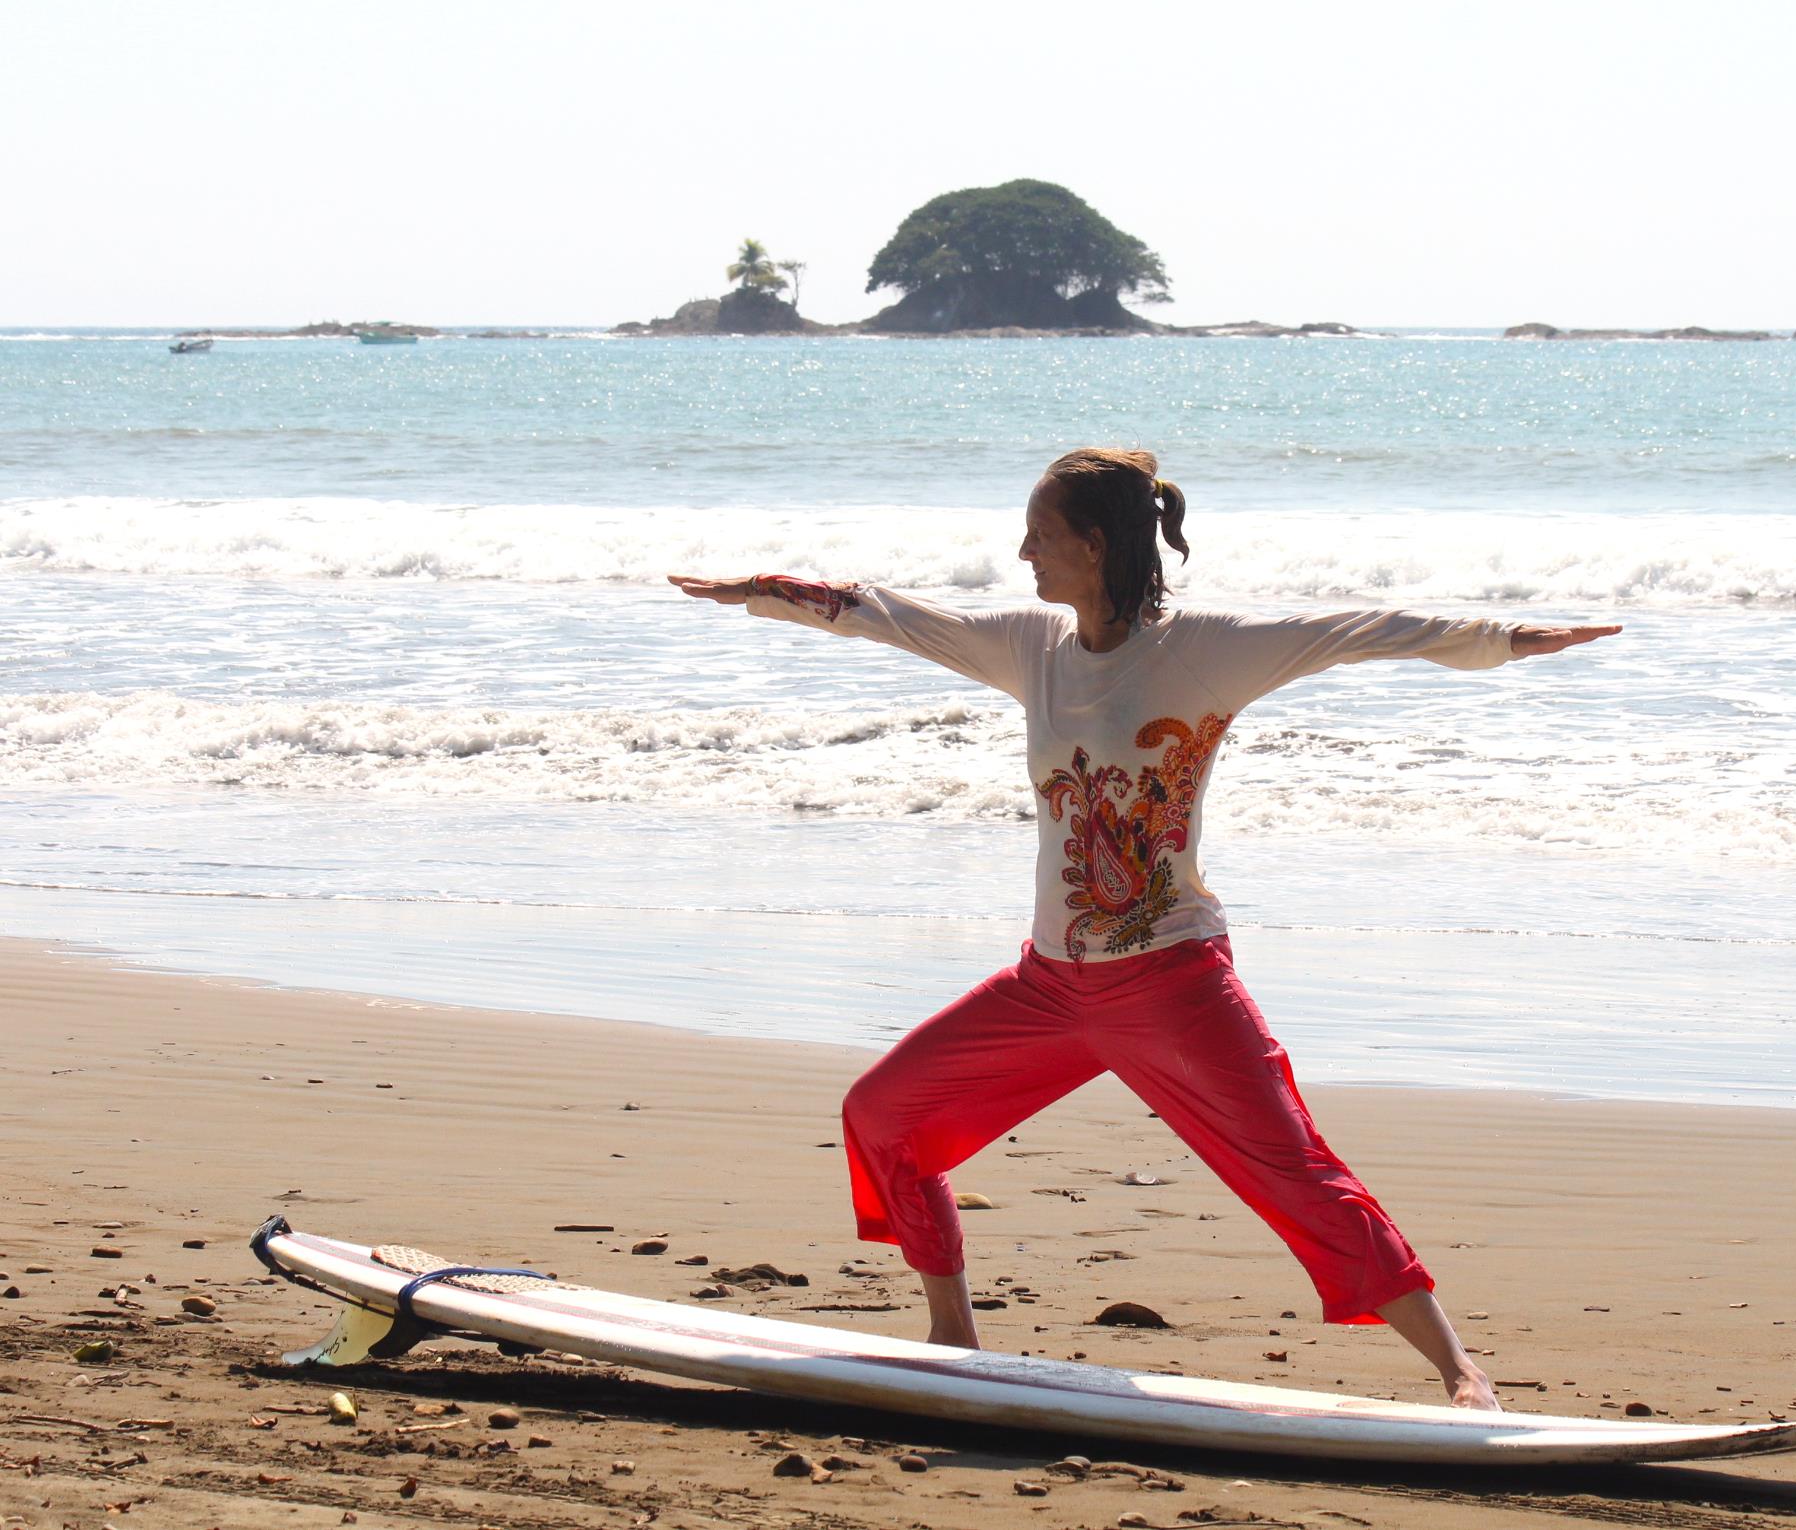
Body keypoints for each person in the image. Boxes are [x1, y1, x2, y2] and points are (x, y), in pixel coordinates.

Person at [671, 447, 1619, 1410]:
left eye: (1039, 535)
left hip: (1173, 984)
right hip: (1047, 985)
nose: (1022, 551)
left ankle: (1460, 1370)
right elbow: (892, 616)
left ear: (1091, 543)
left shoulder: (1205, 648)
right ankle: (952, 1333)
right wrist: (767, 590)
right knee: (883, 1115)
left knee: (1292, 1170)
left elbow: (1358, 628)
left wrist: (1504, 637)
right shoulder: (1029, 644)